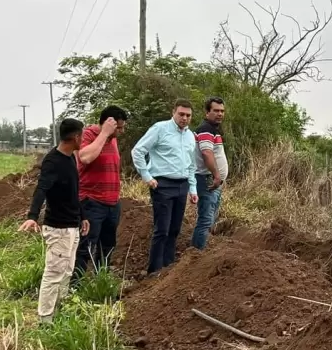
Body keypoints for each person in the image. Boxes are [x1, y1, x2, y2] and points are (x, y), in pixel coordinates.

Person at [19, 118, 90, 324]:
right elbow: (41, 189)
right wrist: (32, 216)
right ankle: (45, 320)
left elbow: (74, 192)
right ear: (76, 137)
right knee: (53, 274)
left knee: (66, 272)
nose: (83, 139)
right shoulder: (53, 161)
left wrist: (82, 216)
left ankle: (60, 311)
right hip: (58, 228)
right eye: (82, 136)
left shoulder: (70, 159)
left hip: (72, 226)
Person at [131, 99, 198, 275]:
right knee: (162, 229)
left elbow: (191, 165)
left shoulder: (191, 136)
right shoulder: (160, 129)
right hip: (163, 184)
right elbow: (138, 151)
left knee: (175, 229)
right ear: (173, 112)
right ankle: (155, 270)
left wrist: (193, 189)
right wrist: (147, 176)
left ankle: (169, 270)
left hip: (182, 185)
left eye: (188, 115)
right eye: (181, 114)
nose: (184, 118)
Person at [72, 105, 128, 282]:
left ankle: (100, 282)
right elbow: (84, 157)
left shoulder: (113, 139)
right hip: (91, 202)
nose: (122, 131)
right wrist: (104, 134)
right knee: (86, 247)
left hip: (112, 204)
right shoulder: (89, 135)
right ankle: (76, 286)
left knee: (108, 246)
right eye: (118, 127)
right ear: (108, 124)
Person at [191, 96, 228, 250]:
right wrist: (217, 175)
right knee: (206, 219)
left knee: (209, 218)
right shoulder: (206, 129)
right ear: (207, 112)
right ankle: (195, 255)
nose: (220, 114)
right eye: (216, 111)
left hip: (211, 180)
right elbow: (207, 153)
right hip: (207, 179)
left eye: (222, 111)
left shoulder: (212, 130)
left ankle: (201, 251)